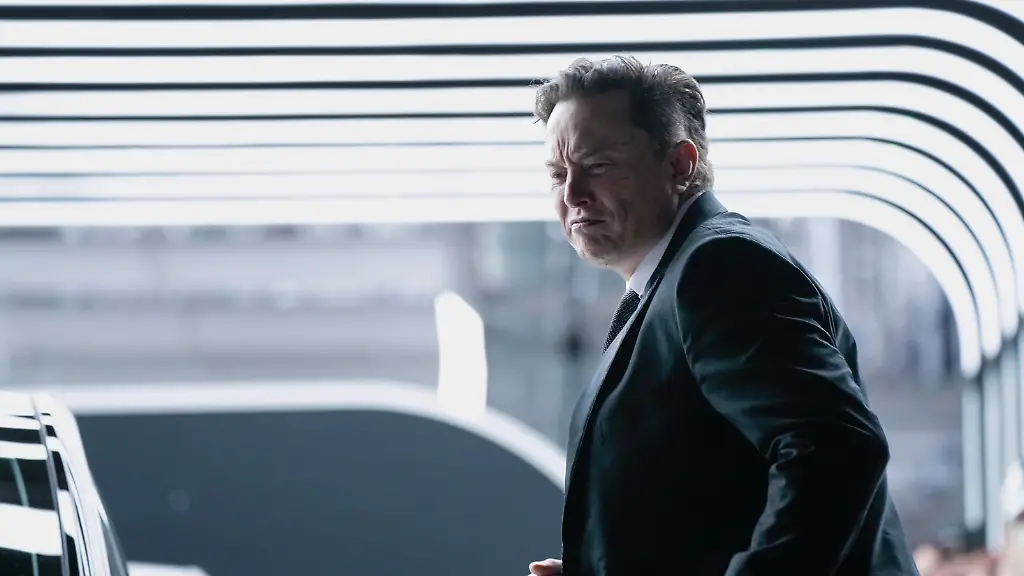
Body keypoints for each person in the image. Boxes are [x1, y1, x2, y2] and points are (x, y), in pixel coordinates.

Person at [527, 56, 919, 576]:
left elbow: (836, 449)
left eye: (597, 166)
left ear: (679, 165)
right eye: (558, 174)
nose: (572, 194)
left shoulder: (718, 268)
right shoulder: (672, 283)